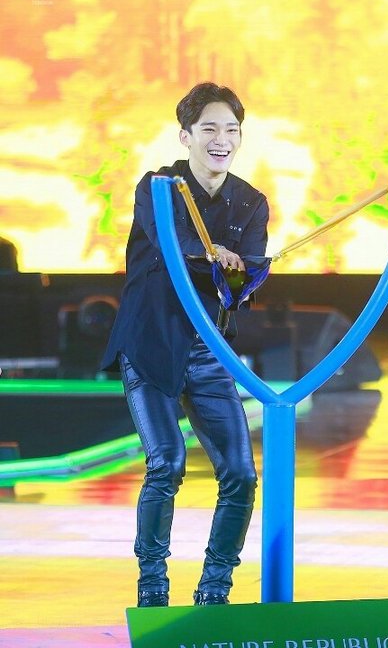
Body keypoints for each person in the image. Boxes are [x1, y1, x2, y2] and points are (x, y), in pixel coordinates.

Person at [101, 83, 269, 607]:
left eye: (232, 130)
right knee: (167, 462)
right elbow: (174, 245)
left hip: (209, 348)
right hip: (150, 342)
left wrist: (243, 276)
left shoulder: (251, 201)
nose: (222, 140)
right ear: (186, 136)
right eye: (210, 129)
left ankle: (214, 591)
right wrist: (213, 252)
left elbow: (246, 280)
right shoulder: (159, 186)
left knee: (241, 474)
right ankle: (152, 589)